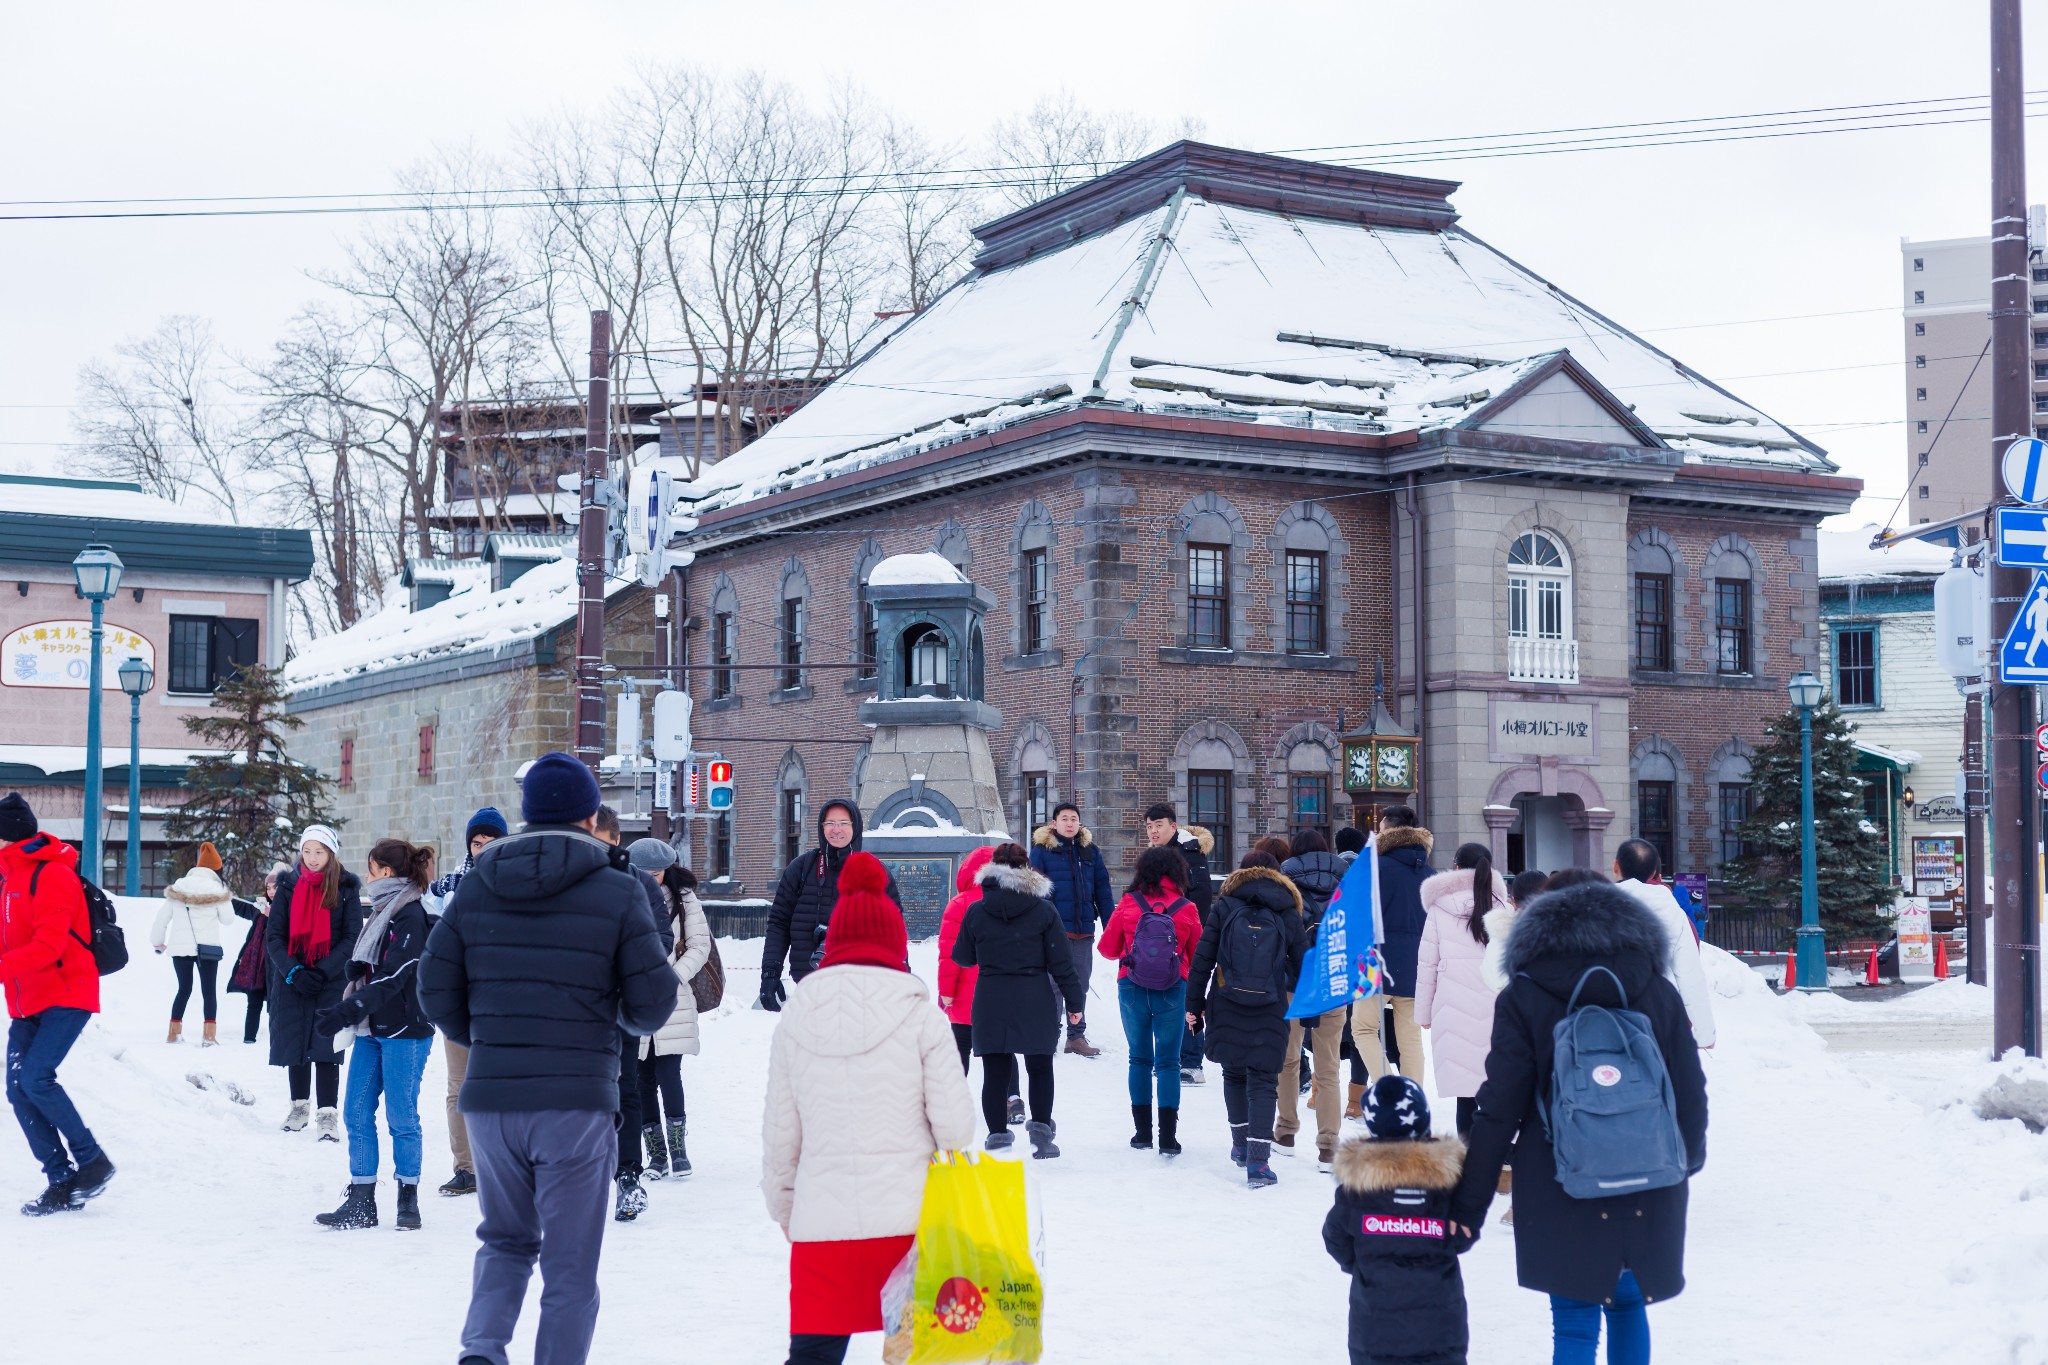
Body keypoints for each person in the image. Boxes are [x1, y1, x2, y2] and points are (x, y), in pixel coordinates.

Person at [418, 751, 677, 1365]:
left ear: (527, 816)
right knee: (570, 1267)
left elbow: (434, 992)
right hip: (576, 1101)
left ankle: (481, 1352)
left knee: (504, 1240)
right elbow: (651, 1005)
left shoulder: (477, 884)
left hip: (491, 1100)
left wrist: (486, 1036)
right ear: (592, 817)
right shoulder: (619, 890)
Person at [1448, 877, 1709, 1365]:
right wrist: (1684, 1161)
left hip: (1558, 1177)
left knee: (1573, 1321)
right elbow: (1689, 1089)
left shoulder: (1524, 994)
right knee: (1630, 1307)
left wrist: (1469, 1205)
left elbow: (1500, 1108)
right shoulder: (1656, 988)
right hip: (1648, 1172)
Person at [763, 850, 977, 1365]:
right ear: (894, 941)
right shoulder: (921, 1017)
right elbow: (955, 1130)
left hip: (822, 1225)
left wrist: (787, 1210)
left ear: (833, 940)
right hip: (909, 1228)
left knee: (813, 1354)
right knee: (914, 1352)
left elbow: (781, 1136)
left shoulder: (795, 1019)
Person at [311, 837, 438, 1231]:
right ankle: (362, 1200)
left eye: (370, 868)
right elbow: (372, 964)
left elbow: (397, 974)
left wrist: (347, 1008)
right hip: (371, 1027)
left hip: (405, 1029)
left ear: (386, 871)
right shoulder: (384, 909)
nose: (366, 875)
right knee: (356, 1111)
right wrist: (354, 976)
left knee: (402, 1116)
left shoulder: (411, 914)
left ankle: (408, 1198)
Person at [0, 792, 115, 1216]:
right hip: (28, 996)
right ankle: (61, 1180)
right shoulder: (8, 879)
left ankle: (93, 1161)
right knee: (17, 1088)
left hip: (67, 991)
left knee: (37, 1079)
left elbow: (49, 945)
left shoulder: (52, 876)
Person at [1324, 1076, 1471, 1365]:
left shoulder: (1356, 1190)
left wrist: (1362, 1263)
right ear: (1423, 1121)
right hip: (1440, 1332)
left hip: (1375, 1332)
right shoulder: (1447, 1186)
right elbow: (1465, 1234)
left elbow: (1335, 1236)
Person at [951, 842, 1084, 1158]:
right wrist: (1075, 1004)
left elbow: (963, 957)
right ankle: (1041, 1135)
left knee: (995, 1070)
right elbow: (1062, 964)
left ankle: (997, 1135)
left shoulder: (977, 910)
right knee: (1039, 1067)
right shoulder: (1043, 910)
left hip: (991, 997)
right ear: (1027, 870)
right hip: (1034, 995)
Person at [1185, 851, 1306, 1189]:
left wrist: (1193, 1003)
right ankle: (1259, 1162)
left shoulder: (1225, 905)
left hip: (1227, 999)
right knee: (1264, 1081)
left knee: (1234, 1073)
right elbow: (1302, 963)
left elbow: (1203, 958)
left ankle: (1239, 1146)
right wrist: (1307, 1011)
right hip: (1270, 1002)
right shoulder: (1286, 910)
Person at [1096, 844, 1203, 1154]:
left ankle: (1142, 1134)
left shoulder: (1130, 903)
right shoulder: (1187, 908)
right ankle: (1168, 1138)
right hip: (1173, 987)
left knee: (1139, 1059)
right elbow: (1197, 955)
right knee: (1169, 1062)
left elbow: (1106, 949)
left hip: (1131, 987)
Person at [423, 806, 506, 1197]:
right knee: (459, 1087)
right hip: (460, 1000)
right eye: (477, 842)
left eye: (491, 842)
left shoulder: (522, 884)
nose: (483, 849)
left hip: (505, 1001)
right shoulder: (447, 890)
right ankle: (467, 1168)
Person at [594, 806, 671, 1223]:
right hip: (573, 1009)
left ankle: (628, 1175)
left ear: (616, 841)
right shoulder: (564, 882)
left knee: (625, 1089)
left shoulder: (639, 884)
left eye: (601, 843)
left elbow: (658, 940)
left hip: (619, 1006)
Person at [266, 825, 363, 1140]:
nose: (311, 858)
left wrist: (322, 970)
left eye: (318, 852)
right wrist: (294, 971)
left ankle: (327, 1114)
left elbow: (351, 938)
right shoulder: (288, 886)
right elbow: (274, 937)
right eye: (306, 851)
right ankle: (298, 1107)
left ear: (331, 852)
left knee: (326, 1047)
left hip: (329, 980)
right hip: (292, 979)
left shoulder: (345, 888)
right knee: (295, 1043)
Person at [761, 799, 902, 1011]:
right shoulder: (802, 868)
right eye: (830, 823)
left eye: (844, 823)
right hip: (810, 986)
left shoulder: (875, 872)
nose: (837, 830)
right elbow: (779, 923)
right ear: (822, 827)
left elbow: (894, 932)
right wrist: (770, 973)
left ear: (855, 827)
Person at [1413, 844, 1513, 1137]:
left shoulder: (1439, 909)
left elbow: (1427, 963)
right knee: (1494, 1087)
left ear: (1456, 868)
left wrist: (1423, 1012)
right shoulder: (1504, 908)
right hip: (1497, 1009)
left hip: (1452, 1007)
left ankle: (1471, 1162)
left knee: (1465, 1095)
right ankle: (1501, 1161)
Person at [626, 841, 712, 1181]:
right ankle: (656, 1155)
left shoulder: (684, 898)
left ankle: (678, 1150)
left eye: (657, 873)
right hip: (633, 998)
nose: (651, 879)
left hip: (672, 999)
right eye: (644, 873)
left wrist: (671, 976)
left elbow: (699, 945)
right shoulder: (621, 895)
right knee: (640, 1079)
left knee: (668, 1073)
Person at [1279, 827, 1350, 1170]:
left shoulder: (1286, 881)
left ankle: (1286, 1131)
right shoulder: (1348, 881)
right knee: (1329, 1066)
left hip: (1294, 980)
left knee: (1289, 1059)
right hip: (1333, 981)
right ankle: (1328, 1146)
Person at [1612, 839, 1717, 1048]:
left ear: (1616, 866)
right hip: (1658, 1021)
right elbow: (1690, 977)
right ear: (1654, 874)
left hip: (1606, 1020)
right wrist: (1705, 1033)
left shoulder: (1596, 906)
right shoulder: (1673, 913)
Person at [1028, 802, 1114, 1057]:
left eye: (1073, 819)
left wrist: (1110, 925)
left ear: (1079, 823)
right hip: (1054, 932)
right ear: (1054, 824)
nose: (1069, 823)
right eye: (1064, 819)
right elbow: (1035, 892)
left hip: (1083, 930)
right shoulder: (1041, 852)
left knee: (1079, 984)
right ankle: (1049, 1033)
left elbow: (1103, 891)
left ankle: (1076, 1037)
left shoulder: (1091, 852)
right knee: (1053, 984)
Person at [1354, 806, 1431, 1084]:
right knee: (1410, 1037)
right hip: (1415, 961)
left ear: (1388, 830)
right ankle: (1414, 1097)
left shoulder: (1374, 867)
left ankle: (1388, 1087)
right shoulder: (1428, 872)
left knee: (1363, 1029)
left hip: (1374, 962)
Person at [1142, 801, 1213, 1086]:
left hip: (1185, 938)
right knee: (1165, 999)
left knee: (1188, 996)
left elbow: (1201, 899)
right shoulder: (1154, 855)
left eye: (1158, 825)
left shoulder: (1190, 853)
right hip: (1158, 938)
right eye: (1149, 826)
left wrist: (1186, 934)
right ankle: (1170, 1058)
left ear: (1173, 826)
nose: (1153, 831)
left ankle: (1193, 1062)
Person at [151, 843, 238, 1045]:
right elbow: (228, 919)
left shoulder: (179, 887)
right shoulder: (217, 889)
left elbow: (161, 919)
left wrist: (157, 942)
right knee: (209, 991)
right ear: (216, 868)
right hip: (208, 949)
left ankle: (173, 1033)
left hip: (180, 948)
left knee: (184, 989)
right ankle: (209, 1036)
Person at [935, 845, 997, 1074]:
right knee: (1002, 1053)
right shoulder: (1011, 901)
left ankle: (954, 1103)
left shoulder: (960, 904)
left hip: (964, 995)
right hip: (1000, 993)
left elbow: (950, 954)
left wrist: (946, 991)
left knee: (960, 1049)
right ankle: (1012, 1100)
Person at [227, 863, 286, 1046]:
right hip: (255, 966)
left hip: (276, 967)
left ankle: (277, 1042)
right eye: (268, 888)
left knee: (275, 1007)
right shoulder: (260, 908)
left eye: (275, 887)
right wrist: (228, 897)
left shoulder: (289, 908)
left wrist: (273, 914)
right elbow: (241, 908)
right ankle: (248, 1040)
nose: (271, 892)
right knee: (253, 1003)